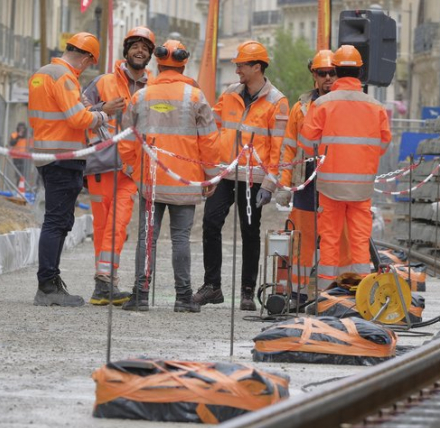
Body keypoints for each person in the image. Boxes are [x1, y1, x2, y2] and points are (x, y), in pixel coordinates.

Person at [119, 40, 220, 312]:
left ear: (158, 63)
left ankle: (140, 296)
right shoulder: (196, 97)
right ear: (184, 63)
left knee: (147, 238)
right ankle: (183, 298)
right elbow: (209, 141)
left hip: (150, 181)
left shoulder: (141, 96)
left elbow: (126, 139)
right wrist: (211, 176)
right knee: (180, 240)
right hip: (183, 182)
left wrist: (132, 168)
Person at [192, 40, 289, 311]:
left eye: (241, 66)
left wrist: (269, 184)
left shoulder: (277, 102)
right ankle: (212, 286)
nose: (237, 71)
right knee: (210, 224)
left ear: (257, 67)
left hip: (254, 179)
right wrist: (208, 172)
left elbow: (279, 148)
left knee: (249, 233)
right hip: (225, 173)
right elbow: (212, 130)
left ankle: (247, 291)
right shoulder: (231, 93)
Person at [28, 32, 116, 307]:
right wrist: (104, 115)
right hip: (64, 158)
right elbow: (77, 117)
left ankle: (50, 282)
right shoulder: (64, 77)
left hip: (47, 154)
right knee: (56, 221)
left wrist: (96, 110)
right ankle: (47, 285)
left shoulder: (42, 73)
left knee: (59, 220)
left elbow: (60, 114)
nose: (87, 68)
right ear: (87, 57)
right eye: (90, 63)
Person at [298, 45, 391, 290]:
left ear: (337, 71)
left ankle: (326, 294)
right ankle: (361, 293)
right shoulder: (376, 107)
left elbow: (307, 144)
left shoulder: (323, 105)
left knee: (330, 239)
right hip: (362, 188)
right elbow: (383, 144)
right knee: (360, 240)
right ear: (360, 72)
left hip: (329, 186)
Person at [81, 26, 154, 306]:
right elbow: (80, 113)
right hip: (100, 164)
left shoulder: (153, 88)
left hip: (130, 170)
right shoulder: (103, 82)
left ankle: (105, 281)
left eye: (145, 49)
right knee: (102, 226)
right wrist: (102, 108)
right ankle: (103, 284)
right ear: (126, 51)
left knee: (118, 223)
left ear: (149, 56)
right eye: (135, 46)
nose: (140, 51)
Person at [275, 50, 335, 306]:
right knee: (302, 241)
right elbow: (289, 147)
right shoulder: (301, 108)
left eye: (333, 73)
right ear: (314, 75)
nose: (328, 78)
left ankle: (331, 296)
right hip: (306, 181)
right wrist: (284, 184)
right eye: (323, 73)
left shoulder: (342, 105)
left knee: (335, 240)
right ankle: (298, 295)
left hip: (335, 181)